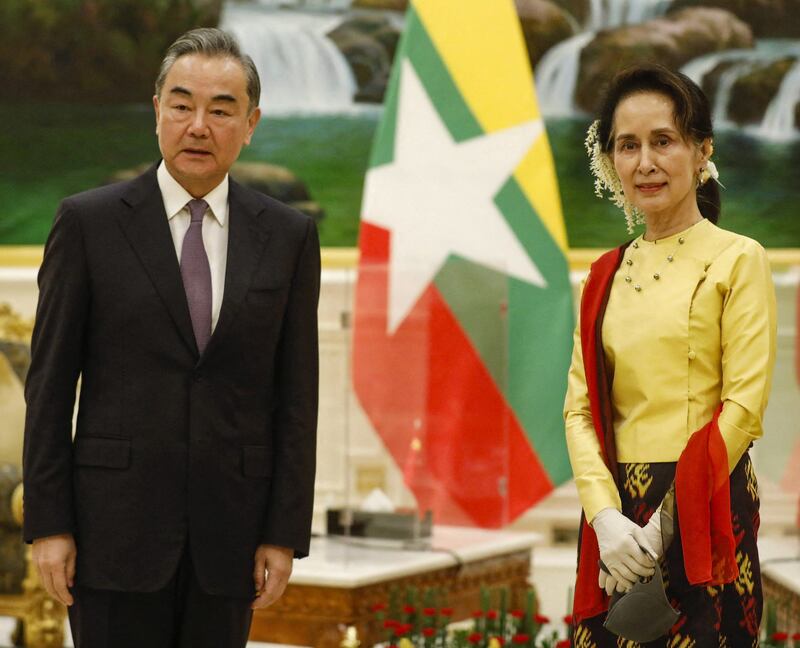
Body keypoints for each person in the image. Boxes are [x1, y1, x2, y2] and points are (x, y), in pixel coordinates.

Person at [22, 28, 320, 648]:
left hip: (232, 539)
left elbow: (297, 397)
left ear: (251, 123)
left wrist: (283, 532)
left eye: (221, 110)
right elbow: (49, 388)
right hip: (111, 535)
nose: (198, 126)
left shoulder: (288, 237)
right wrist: (50, 524)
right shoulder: (88, 224)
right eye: (182, 105)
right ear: (157, 110)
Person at [564, 63, 776, 645]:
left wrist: (663, 527)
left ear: (702, 150)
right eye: (628, 145)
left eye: (663, 141)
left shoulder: (738, 258)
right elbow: (579, 411)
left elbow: (743, 409)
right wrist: (604, 517)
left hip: (706, 501)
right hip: (615, 512)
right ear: (610, 160)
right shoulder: (603, 275)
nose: (645, 163)